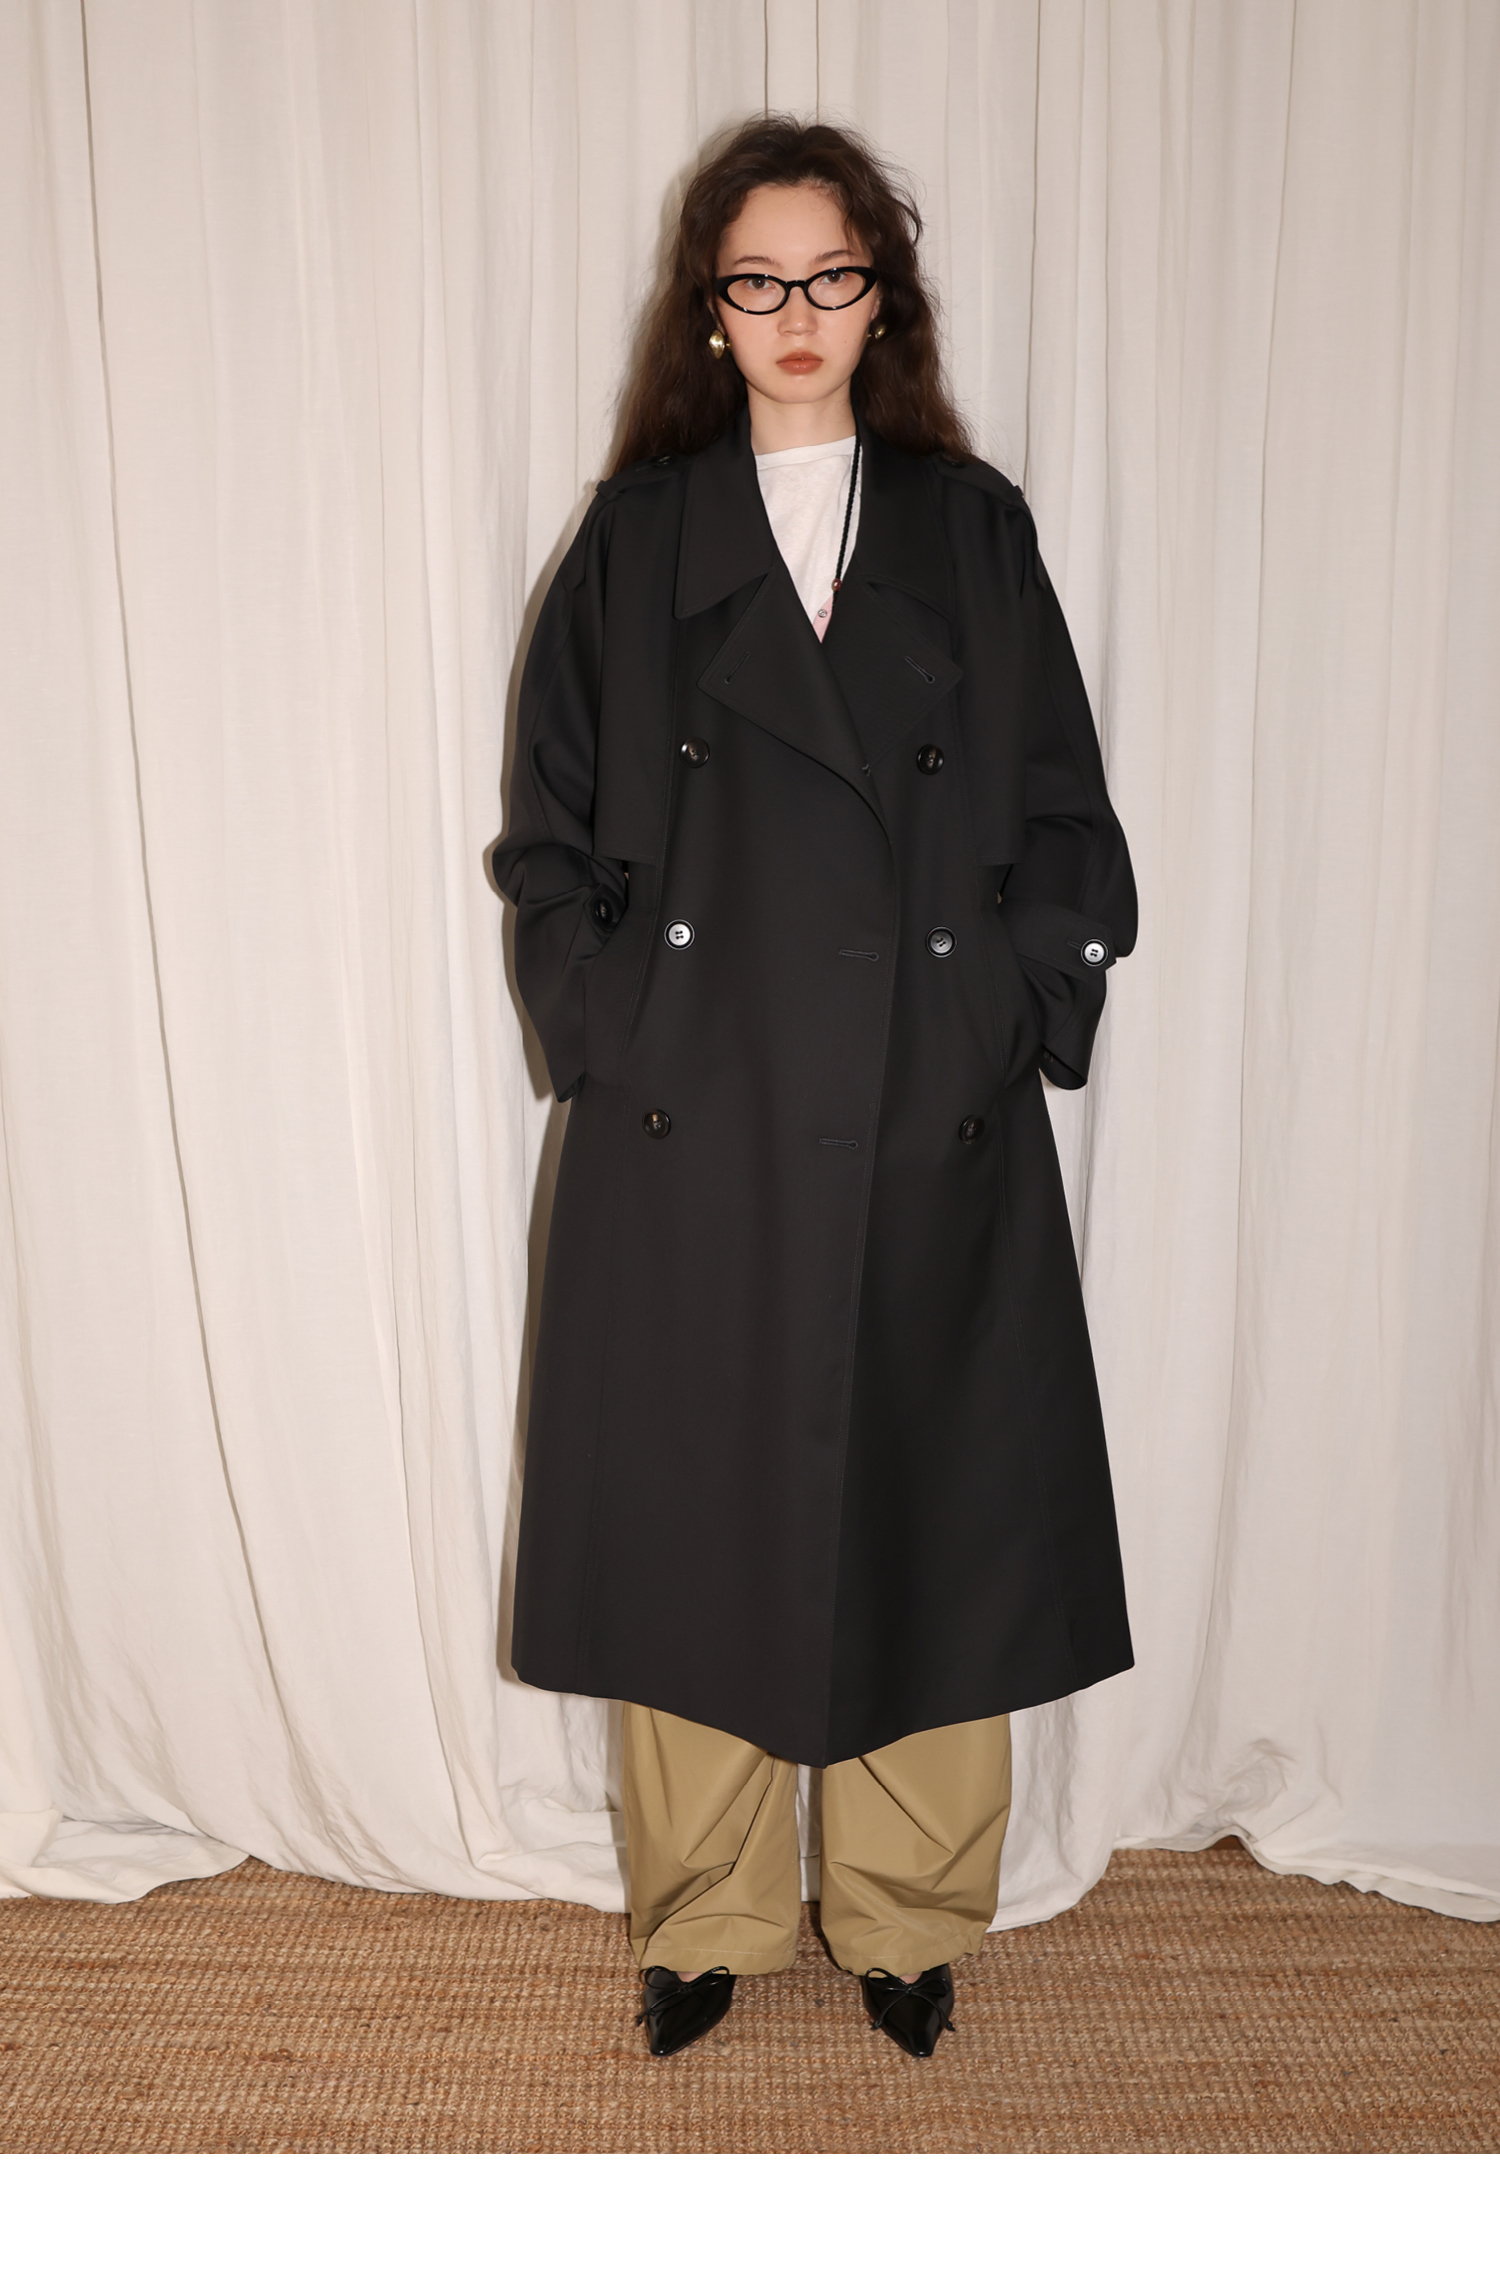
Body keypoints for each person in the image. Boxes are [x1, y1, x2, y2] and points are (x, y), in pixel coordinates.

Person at [490, 116, 1137, 2061]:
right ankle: (704, 1914)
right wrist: (611, 1024)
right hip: (691, 1114)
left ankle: (907, 1915)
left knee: (937, 1502)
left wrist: (1008, 1008)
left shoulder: (969, 529)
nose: (796, 312)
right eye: (758, 279)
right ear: (709, 306)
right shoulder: (637, 541)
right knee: (694, 1514)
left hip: (930, 1103)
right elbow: (549, 839)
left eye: (831, 275)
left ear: (883, 297)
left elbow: (1063, 816)